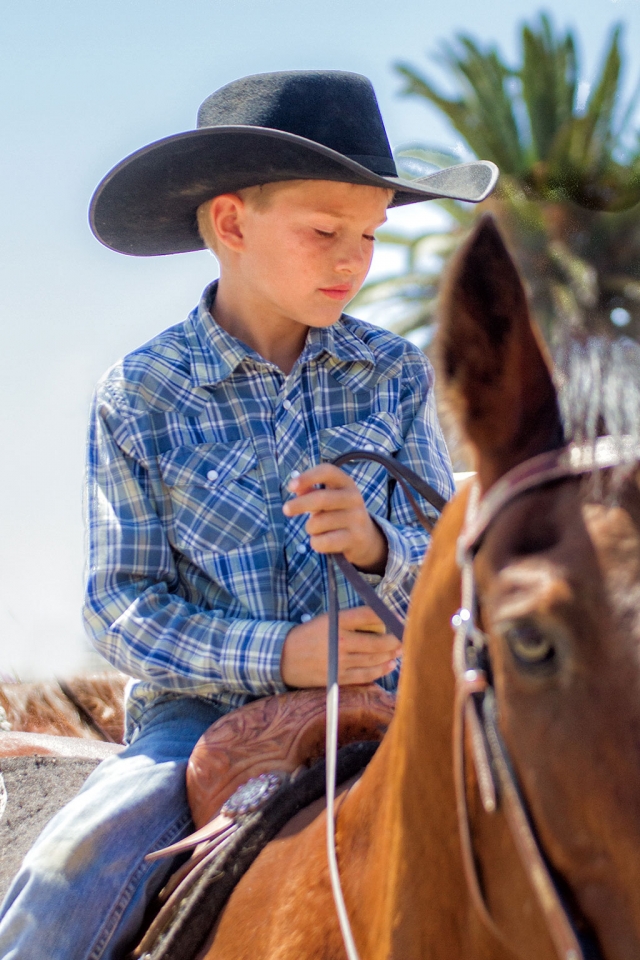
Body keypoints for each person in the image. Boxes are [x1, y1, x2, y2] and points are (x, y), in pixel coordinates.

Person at [0, 71, 496, 959]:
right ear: (231, 225)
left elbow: (451, 565)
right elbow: (122, 607)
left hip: (391, 697)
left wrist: (382, 547)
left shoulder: (393, 374)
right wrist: (280, 654)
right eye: (324, 231)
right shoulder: (141, 394)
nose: (354, 259)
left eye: (372, 235)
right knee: (67, 875)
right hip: (195, 716)